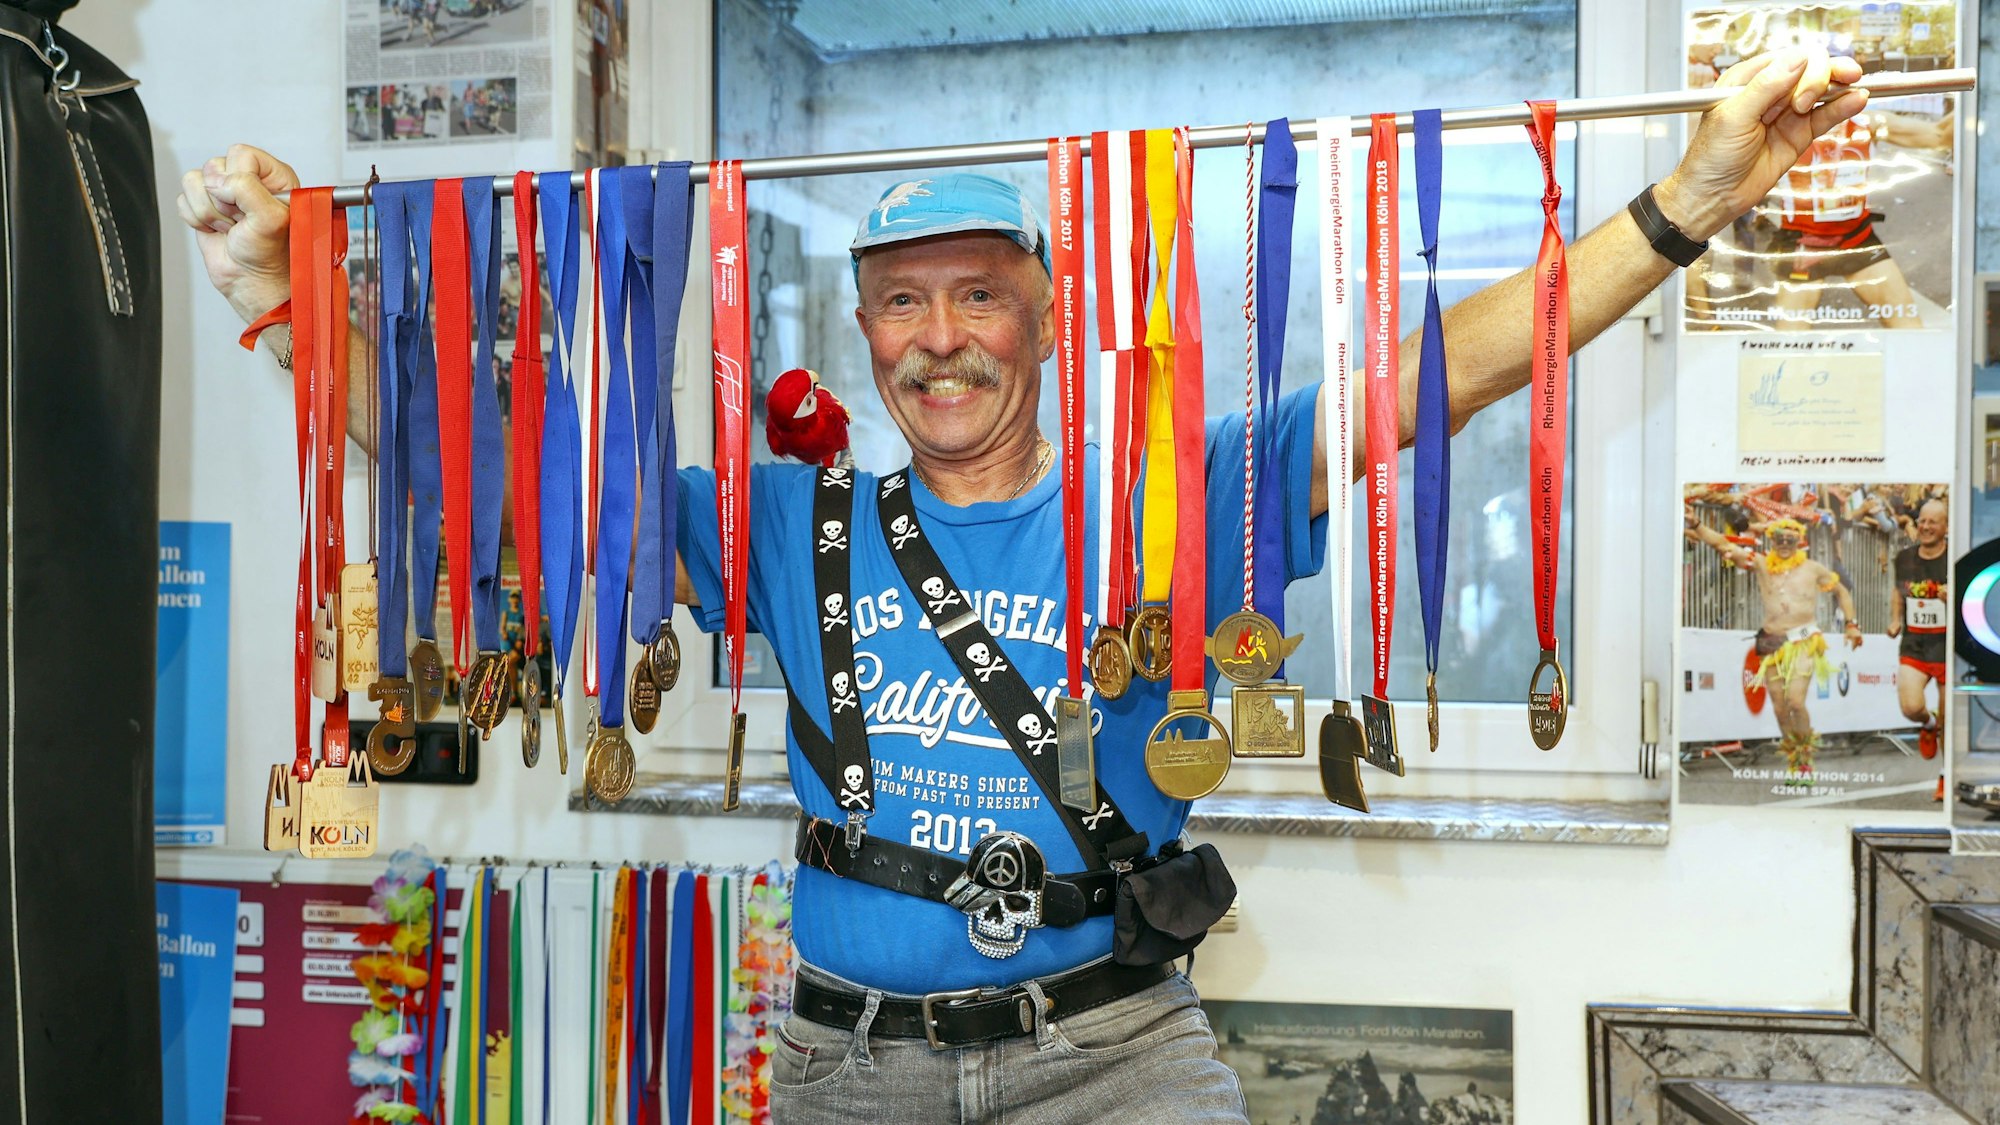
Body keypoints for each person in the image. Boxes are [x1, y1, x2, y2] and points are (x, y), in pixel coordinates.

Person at [179, 46, 1867, 1123]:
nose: (938, 340)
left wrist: (1696, 194)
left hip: (1117, 1062)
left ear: (1046, 314)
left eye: (978, 296)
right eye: (902, 306)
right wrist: (298, 307)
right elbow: (524, 486)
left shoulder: (1177, 496)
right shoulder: (791, 522)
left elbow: (1450, 372)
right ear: (865, 335)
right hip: (846, 1069)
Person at [1688, 515, 1862, 783]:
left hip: (1803, 640)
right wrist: (1697, 525)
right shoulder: (1760, 564)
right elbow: (1723, 545)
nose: (1783, 544)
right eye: (1779, 538)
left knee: (1795, 701)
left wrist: (1852, 624)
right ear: (1771, 540)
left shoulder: (1813, 569)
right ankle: (1795, 761)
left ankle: (1805, 760)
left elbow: (1842, 591)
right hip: (1770, 641)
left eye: (1789, 539)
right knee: (1780, 709)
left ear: (1799, 541)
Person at [1887, 498, 1949, 760]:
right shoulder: (1904, 559)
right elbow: (1898, 591)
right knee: (1911, 707)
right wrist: (1895, 619)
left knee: (1949, 718)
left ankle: (1945, 779)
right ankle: (1927, 724)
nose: (1925, 526)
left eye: (1932, 522)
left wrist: (1953, 596)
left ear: (1946, 527)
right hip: (1915, 644)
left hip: (1947, 646)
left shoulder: (1953, 558)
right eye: (1922, 520)